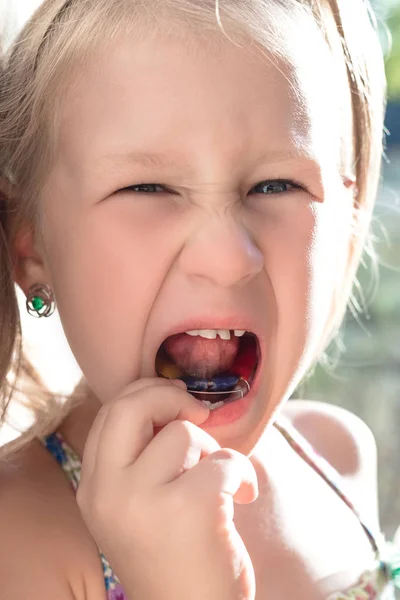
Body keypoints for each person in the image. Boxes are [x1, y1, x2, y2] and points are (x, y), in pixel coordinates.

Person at [0, 0, 399, 598]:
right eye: (148, 187)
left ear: (345, 223)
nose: (229, 257)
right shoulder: (21, 541)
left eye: (276, 184)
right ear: (33, 249)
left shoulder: (337, 454)